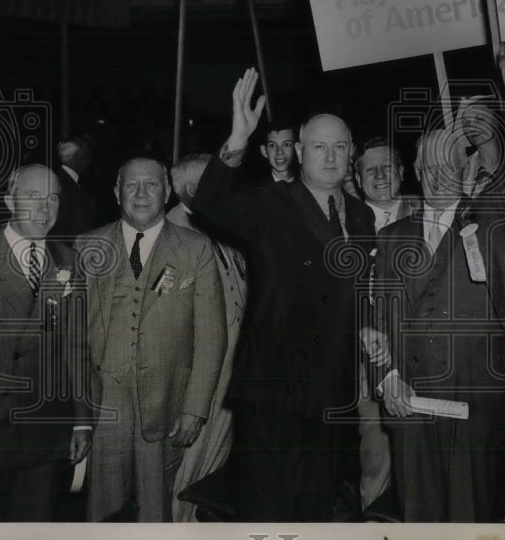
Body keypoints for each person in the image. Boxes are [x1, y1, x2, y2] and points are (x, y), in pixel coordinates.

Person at [369, 25, 505, 522]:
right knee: (420, 517)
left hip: (475, 400)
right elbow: (379, 318)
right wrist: (386, 376)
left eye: (450, 160)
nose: (438, 171)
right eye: (428, 162)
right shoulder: (393, 237)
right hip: (409, 403)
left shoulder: (489, 217)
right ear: (415, 167)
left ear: (468, 166)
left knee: (469, 516)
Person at [192, 69, 375, 521]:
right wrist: (237, 138)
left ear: (351, 153)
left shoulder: (361, 215)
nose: (330, 157)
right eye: (318, 146)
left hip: (333, 391)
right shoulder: (269, 203)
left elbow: (361, 293)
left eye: (339, 147)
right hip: (275, 389)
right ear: (298, 152)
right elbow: (209, 204)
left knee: (317, 509)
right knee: (270, 512)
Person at [78, 157, 226, 521]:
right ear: (116, 192)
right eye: (131, 185)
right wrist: (76, 413)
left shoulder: (196, 248)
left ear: (166, 191)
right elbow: (70, 337)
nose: (141, 193)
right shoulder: (86, 245)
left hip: (166, 404)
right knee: (101, 511)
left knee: (156, 510)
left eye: (151, 185)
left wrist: (194, 408)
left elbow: (211, 336)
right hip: (103, 406)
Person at [0, 164, 92, 521]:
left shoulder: (68, 259)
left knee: (34, 524)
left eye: (52, 198)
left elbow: (77, 347)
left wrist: (81, 421)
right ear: (8, 200)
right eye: (33, 196)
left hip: (45, 429)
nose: (44, 208)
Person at [166, 153, 248, 522]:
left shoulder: (222, 227)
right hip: (199, 369)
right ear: (194, 190)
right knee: (188, 460)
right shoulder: (172, 236)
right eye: (220, 184)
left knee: (217, 456)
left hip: (234, 365)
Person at [351, 136, 418, 515]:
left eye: (387, 166)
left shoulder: (430, 213)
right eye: (369, 169)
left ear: (403, 172)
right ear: (358, 179)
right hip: (370, 358)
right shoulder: (343, 222)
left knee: (429, 460)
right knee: (376, 456)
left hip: (427, 355)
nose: (379, 175)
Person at [52, 133, 98, 241]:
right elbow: (60, 232)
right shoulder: (62, 186)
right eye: (87, 155)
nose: (89, 160)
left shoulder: (68, 182)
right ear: (78, 156)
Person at [258, 118, 298, 182]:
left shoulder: (311, 184)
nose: (279, 152)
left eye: (287, 145)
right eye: (272, 145)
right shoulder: (251, 190)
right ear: (264, 151)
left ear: (297, 148)